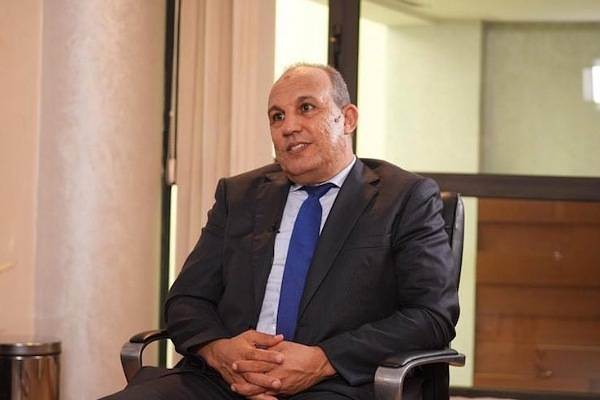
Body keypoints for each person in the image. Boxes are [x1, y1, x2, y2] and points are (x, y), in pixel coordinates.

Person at [101, 63, 459, 400]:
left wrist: (322, 359)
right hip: (225, 379)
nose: (289, 127)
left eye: (306, 108)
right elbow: (186, 300)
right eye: (277, 116)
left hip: (335, 383)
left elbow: (431, 316)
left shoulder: (403, 198)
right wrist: (220, 352)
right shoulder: (239, 195)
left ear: (347, 118)